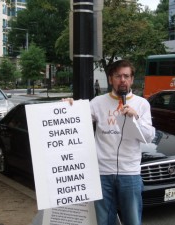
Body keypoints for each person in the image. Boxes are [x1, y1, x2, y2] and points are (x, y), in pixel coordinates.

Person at [63, 60, 155, 225]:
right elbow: (75, 120)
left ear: (132, 79)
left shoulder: (142, 104)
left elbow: (148, 137)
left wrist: (136, 117)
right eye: (118, 76)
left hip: (130, 172)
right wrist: (68, 108)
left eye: (126, 76)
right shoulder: (97, 102)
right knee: (103, 220)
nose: (122, 80)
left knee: (133, 220)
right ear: (111, 79)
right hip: (102, 172)